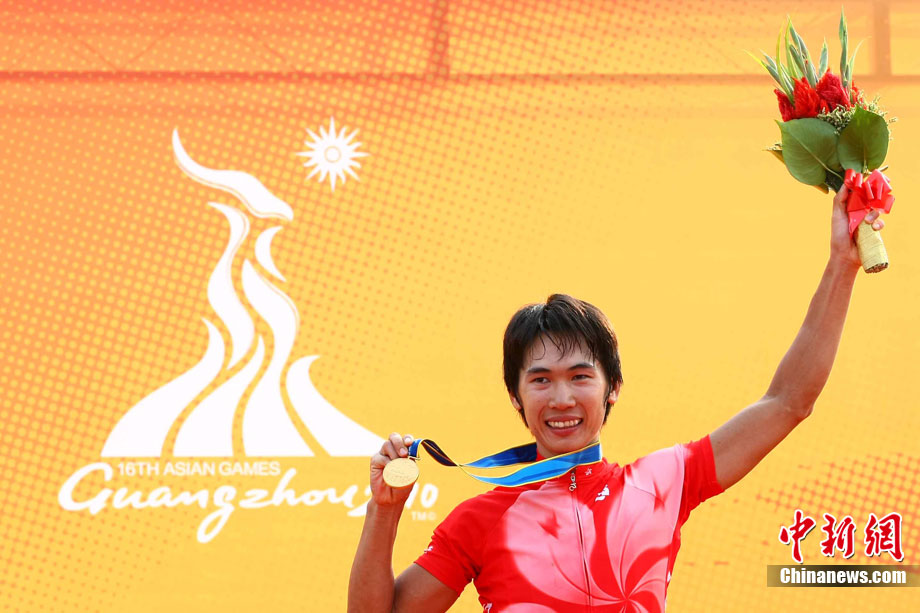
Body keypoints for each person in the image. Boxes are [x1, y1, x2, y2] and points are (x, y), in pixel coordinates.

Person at [347, 186, 886, 612]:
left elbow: (789, 401)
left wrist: (841, 265)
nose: (562, 398)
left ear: (613, 389)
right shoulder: (480, 519)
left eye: (580, 376)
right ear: (516, 396)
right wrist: (384, 511)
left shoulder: (664, 483)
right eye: (541, 380)